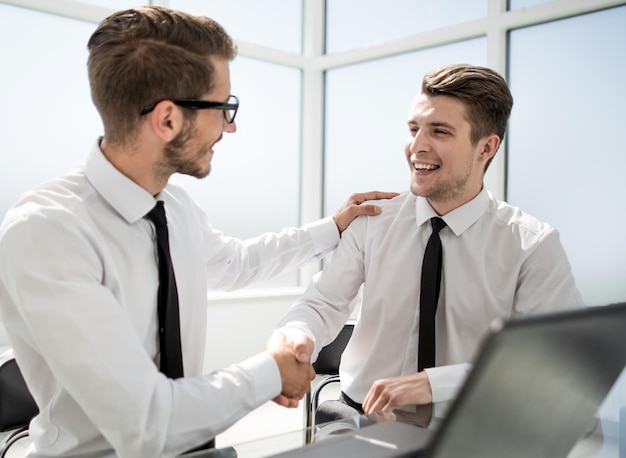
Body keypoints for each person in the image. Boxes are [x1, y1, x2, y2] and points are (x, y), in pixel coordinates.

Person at [0, 6, 397, 458]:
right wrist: (271, 371)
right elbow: (147, 421)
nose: (231, 126)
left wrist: (333, 228)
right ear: (167, 120)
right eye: (223, 108)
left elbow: (236, 263)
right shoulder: (47, 231)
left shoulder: (175, 207)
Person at [275, 63, 585, 422]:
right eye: (413, 128)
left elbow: (557, 357)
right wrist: (297, 337)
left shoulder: (532, 245)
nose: (417, 146)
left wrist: (435, 384)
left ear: (486, 147)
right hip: (360, 419)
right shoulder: (374, 221)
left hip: (469, 433)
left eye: (439, 131)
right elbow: (322, 303)